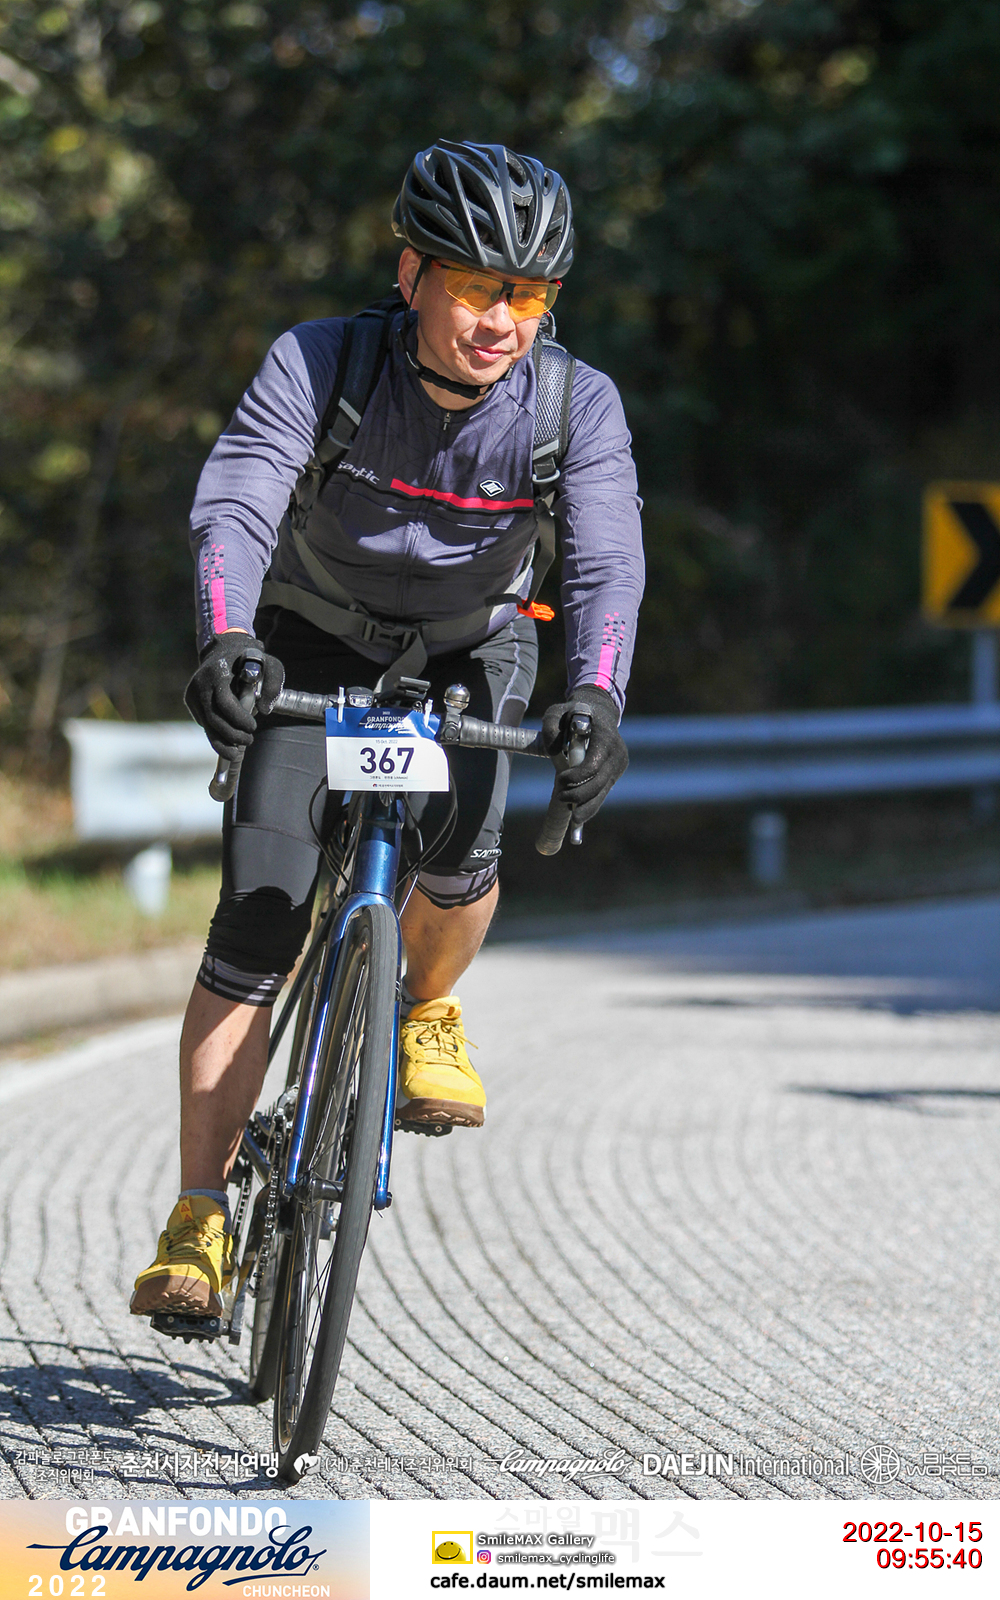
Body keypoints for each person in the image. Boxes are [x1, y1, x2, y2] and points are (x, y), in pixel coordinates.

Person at [131, 140, 644, 1323]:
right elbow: (240, 495)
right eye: (475, 286)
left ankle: (425, 1005)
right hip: (311, 640)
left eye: (528, 296)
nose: (501, 321)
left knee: (462, 861)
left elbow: (606, 562)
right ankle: (199, 1214)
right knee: (257, 921)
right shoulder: (322, 361)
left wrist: (598, 694)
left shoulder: (574, 404)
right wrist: (224, 637)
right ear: (411, 274)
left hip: (475, 647)